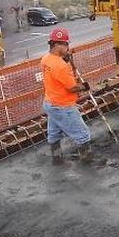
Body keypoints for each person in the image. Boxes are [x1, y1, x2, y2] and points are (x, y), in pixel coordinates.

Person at [40, 28, 93, 165]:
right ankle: (88, 164)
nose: (67, 47)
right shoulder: (61, 66)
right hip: (62, 106)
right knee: (83, 135)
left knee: (54, 134)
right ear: (57, 45)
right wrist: (84, 86)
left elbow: (56, 75)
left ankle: (57, 159)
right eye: (65, 45)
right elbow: (72, 88)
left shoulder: (46, 59)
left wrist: (66, 60)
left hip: (50, 103)